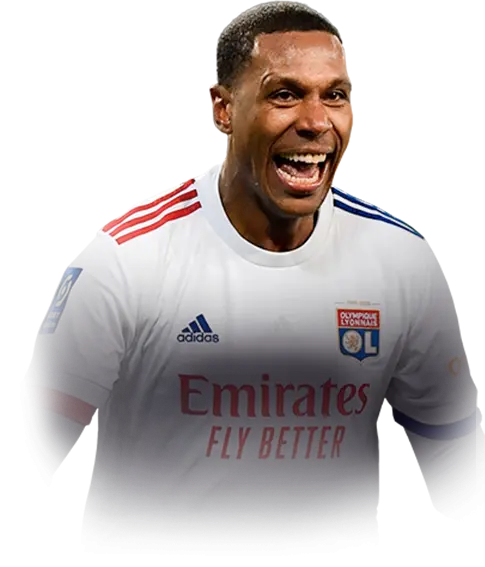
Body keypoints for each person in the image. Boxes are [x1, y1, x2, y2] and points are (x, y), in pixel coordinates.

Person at [16, 1, 483, 559]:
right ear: (223, 109)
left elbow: (453, 456)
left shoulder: (403, 260)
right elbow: (37, 445)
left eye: (334, 95)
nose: (316, 121)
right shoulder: (124, 256)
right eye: (285, 94)